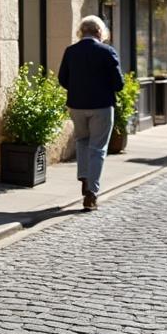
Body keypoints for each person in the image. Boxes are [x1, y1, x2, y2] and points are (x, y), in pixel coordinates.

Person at [57, 15, 125, 211]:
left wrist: (78, 89)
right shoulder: (107, 51)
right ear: (99, 32)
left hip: (77, 105)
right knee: (98, 149)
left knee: (82, 142)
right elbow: (118, 84)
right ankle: (91, 193)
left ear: (81, 32)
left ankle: (85, 178)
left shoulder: (71, 51)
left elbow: (63, 79)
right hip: (102, 106)